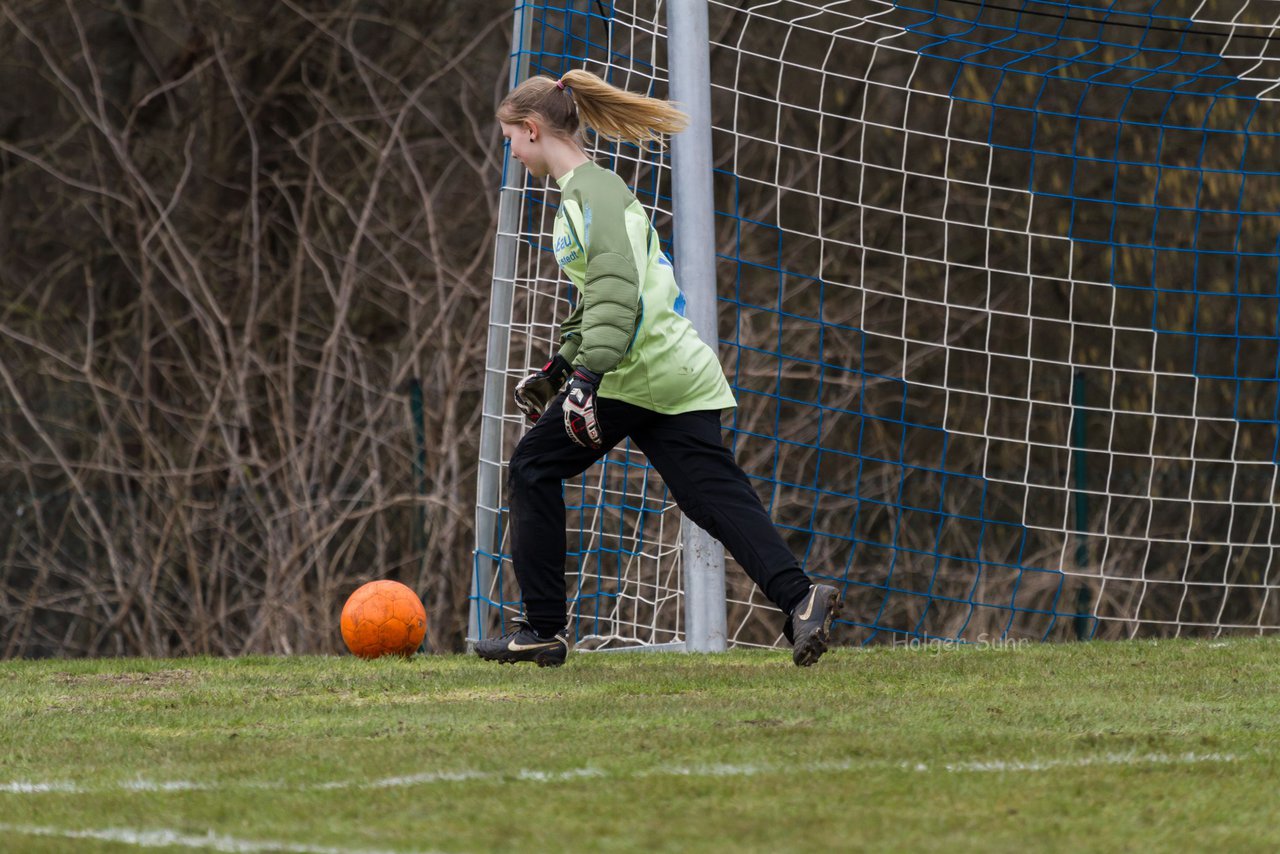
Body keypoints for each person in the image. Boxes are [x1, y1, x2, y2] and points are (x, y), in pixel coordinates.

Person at [476, 69, 842, 668]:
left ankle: (541, 627)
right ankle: (801, 599)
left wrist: (586, 382)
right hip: (673, 371)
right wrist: (560, 366)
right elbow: (603, 297)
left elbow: (618, 298)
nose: (511, 151)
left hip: (636, 373)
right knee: (712, 496)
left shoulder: (586, 197)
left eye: (511, 138)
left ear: (533, 129)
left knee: (532, 467)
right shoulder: (593, 190)